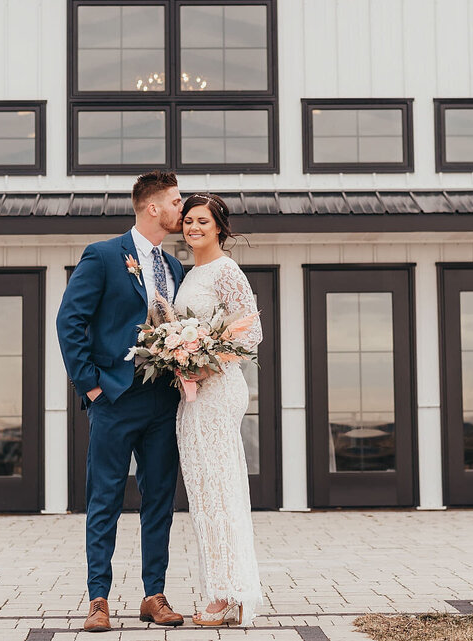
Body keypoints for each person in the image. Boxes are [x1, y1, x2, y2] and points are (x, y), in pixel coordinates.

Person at [56, 171, 187, 633]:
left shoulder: (174, 269)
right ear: (152, 207)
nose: (180, 209)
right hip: (114, 398)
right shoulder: (105, 255)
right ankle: (98, 599)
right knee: (105, 498)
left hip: (163, 402)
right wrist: (90, 386)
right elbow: (69, 321)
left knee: (159, 500)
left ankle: (154, 595)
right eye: (174, 201)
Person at [172, 193, 263, 627]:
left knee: (220, 492)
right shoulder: (192, 274)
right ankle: (222, 590)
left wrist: (203, 367)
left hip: (218, 390)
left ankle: (230, 594)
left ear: (220, 228)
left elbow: (250, 333)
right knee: (205, 494)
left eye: (202, 221)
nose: (193, 228)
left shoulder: (227, 271)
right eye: (188, 220)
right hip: (193, 393)